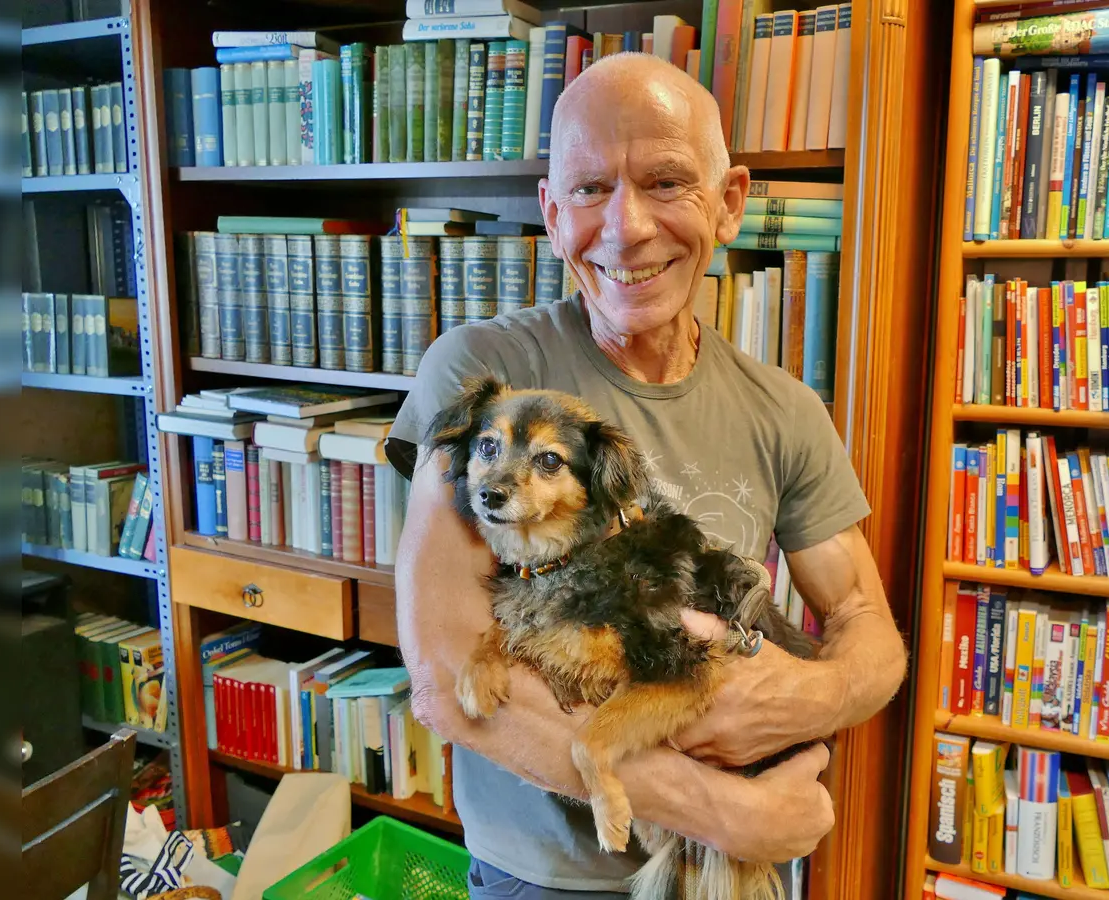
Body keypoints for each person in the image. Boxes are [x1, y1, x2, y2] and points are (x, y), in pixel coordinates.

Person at [385, 51, 908, 898]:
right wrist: (725, 810)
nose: (626, 227)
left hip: (729, 880)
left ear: (729, 202)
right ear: (553, 215)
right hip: (549, 883)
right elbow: (448, 681)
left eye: (666, 182)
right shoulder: (485, 373)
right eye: (590, 190)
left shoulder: (783, 408)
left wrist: (807, 696)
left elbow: (867, 628)